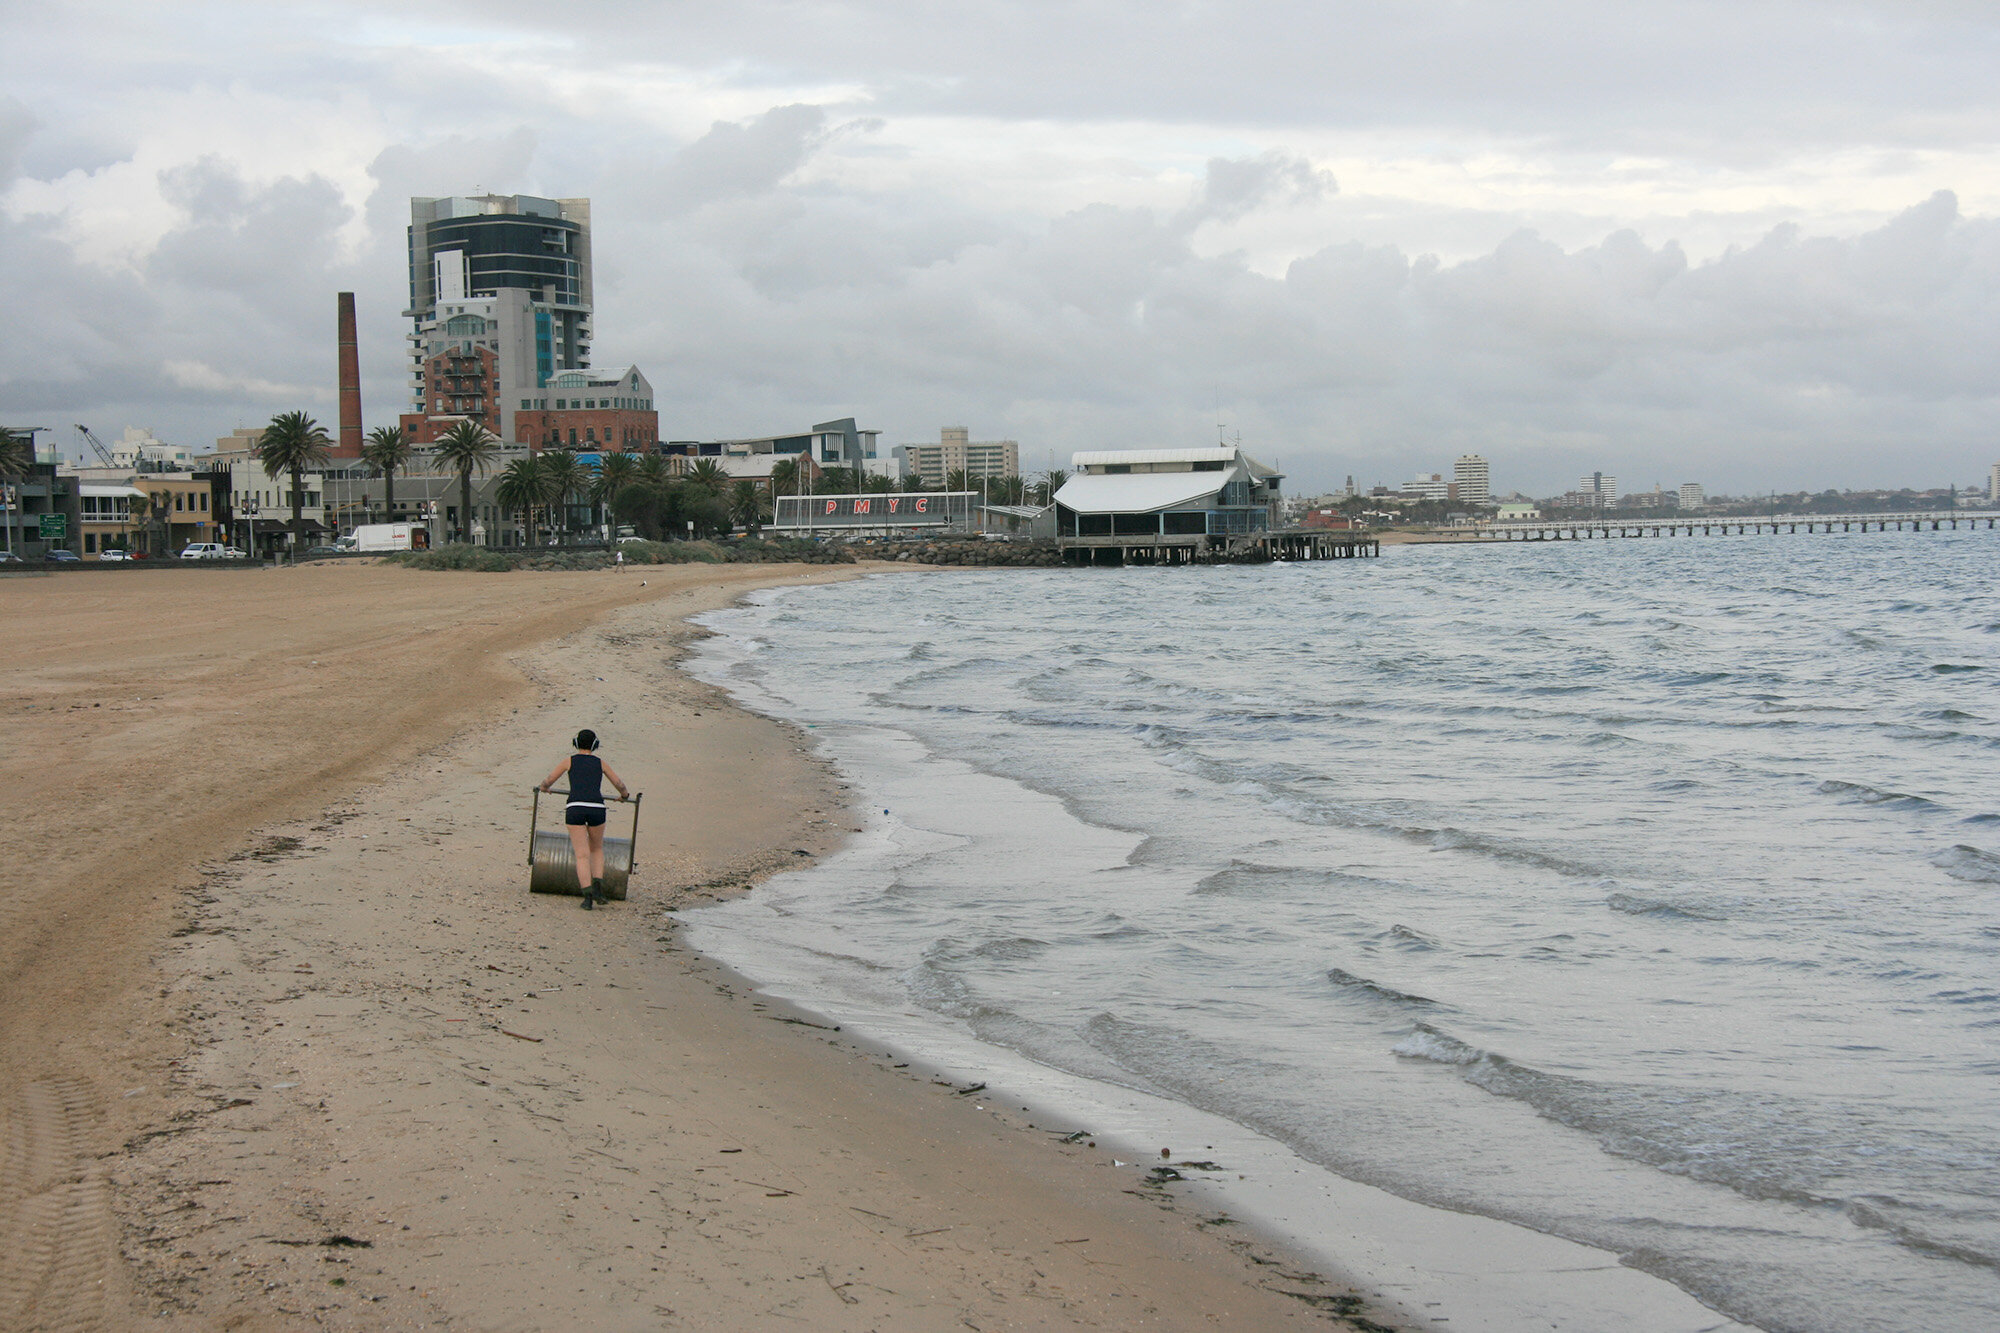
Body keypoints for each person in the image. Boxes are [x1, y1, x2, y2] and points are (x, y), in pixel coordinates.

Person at [540, 729, 630, 910]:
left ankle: (587, 897)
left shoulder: (569, 761)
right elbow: (619, 783)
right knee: (596, 849)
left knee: (582, 855)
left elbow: (548, 780)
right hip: (597, 808)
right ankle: (598, 889)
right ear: (595, 745)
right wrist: (624, 796)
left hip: (575, 808)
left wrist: (544, 787)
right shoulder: (600, 763)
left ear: (575, 743)